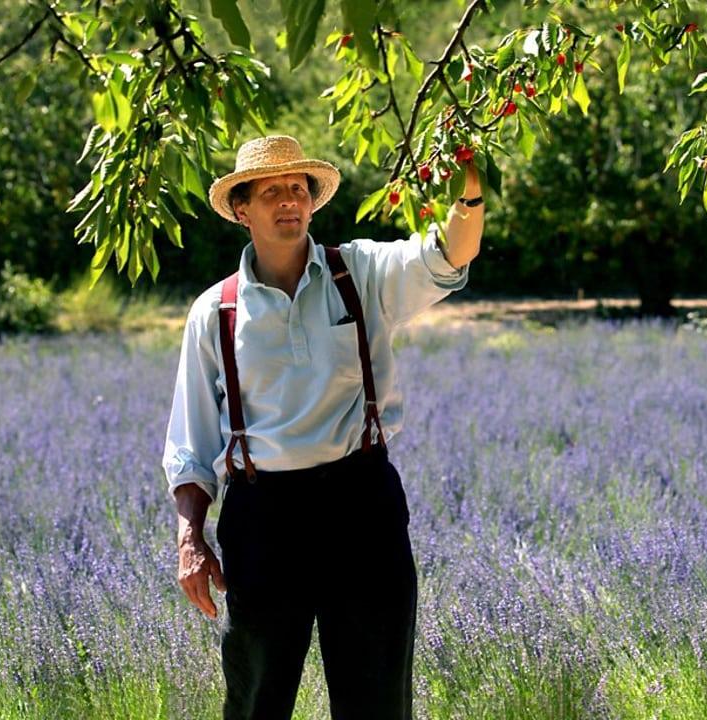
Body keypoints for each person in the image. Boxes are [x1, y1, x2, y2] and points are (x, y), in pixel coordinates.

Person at [161, 134, 482, 719]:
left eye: (297, 189)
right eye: (271, 192)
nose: (288, 200)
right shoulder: (216, 311)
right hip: (263, 517)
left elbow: (447, 256)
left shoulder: (357, 271)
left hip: (360, 504)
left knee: (377, 700)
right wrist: (191, 538)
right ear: (242, 210)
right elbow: (191, 442)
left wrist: (472, 191)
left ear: (311, 201)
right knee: (258, 700)